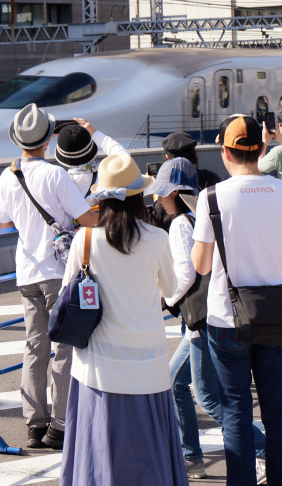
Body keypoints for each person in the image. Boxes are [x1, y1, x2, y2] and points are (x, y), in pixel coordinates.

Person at [58, 154, 186, 485]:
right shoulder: (156, 238)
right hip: (148, 360)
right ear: (138, 197)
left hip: (97, 365)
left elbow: (67, 294)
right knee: (147, 450)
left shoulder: (84, 240)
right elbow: (171, 289)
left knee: (98, 452)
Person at [190, 115, 282, 486]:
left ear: (224, 151)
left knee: (236, 411)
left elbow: (201, 264)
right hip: (273, 315)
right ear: (264, 148)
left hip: (226, 317)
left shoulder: (212, 197)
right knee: (277, 410)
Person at [0, 104, 98, 450]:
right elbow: (88, 219)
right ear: (48, 139)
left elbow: (1, 223)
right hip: (57, 270)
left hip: (26, 271)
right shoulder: (55, 175)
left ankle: (33, 425)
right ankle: (60, 425)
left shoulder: (8, 175)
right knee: (64, 347)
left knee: (34, 347)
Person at [153, 165, 265, 480]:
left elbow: (187, 273)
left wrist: (165, 300)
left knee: (207, 396)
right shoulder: (207, 213)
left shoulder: (180, 224)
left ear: (174, 191)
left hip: (202, 318)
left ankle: (261, 448)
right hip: (214, 312)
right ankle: (192, 456)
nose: (157, 198)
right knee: (175, 381)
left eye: (161, 191)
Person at [54, 119, 128, 199]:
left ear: (61, 157)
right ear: (92, 150)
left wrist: (44, 138)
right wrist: (95, 133)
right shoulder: (108, 179)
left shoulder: (58, 185)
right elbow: (124, 158)